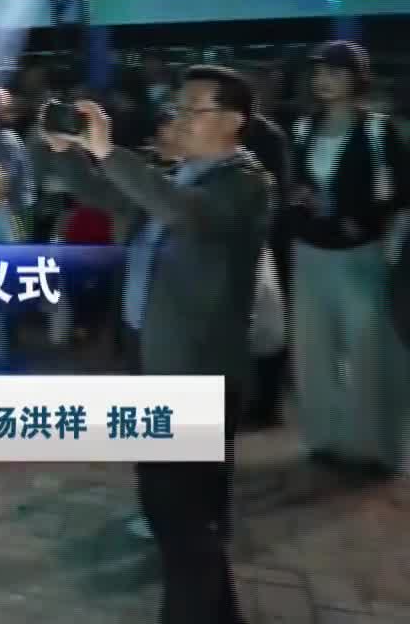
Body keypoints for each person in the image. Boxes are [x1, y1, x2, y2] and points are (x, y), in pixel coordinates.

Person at [43, 66, 272, 624]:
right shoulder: (181, 176)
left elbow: (184, 215)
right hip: (154, 361)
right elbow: (102, 193)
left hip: (196, 373)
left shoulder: (244, 184)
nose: (180, 119)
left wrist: (110, 152)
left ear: (233, 120)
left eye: (193, 109)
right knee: (172, 507)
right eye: (177, 108)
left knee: (182, 515)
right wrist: (66, 150)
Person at [288, 41, 407, 477]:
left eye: (335, 72)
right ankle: (325, 438)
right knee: (313, 349)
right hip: (309, 251)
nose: (324, 80)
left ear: (357, 78)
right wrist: (300, 200)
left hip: (360, 253)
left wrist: (353, 216)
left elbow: (398, 192)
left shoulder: (376, 130)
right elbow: (292, 183)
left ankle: (375, 446)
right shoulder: (303, 128)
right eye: (320, 72)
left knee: (369, 350)